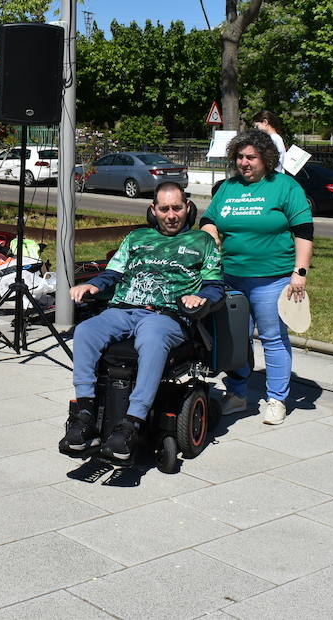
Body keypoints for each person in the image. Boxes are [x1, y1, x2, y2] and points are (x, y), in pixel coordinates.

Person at [62, 182, 224, 462]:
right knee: (86, 330)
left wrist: (201, 297)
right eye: (164, 209)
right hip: (124, 309)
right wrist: (93, 285)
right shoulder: (137, 237)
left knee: (151, 336)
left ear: (188, 208)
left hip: (167, 315)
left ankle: (131, 424)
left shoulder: (202, 242)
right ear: (153, 209)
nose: (171, 215)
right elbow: (112, 273)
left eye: (177, 208)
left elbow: (215, 286)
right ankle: (85, 415)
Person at [200, 129, 313, 426]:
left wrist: (299, 272)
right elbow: (209, 220)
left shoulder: (285, 187)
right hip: (231, 279)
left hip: (272, 280)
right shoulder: (228, 188)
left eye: (251, 157)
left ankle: (276, 399)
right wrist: (210, 232)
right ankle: (237, 394)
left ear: (266, 158)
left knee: (273, 339)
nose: (244, 162)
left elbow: (304, 231)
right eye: (240, 156)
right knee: (236, 340)